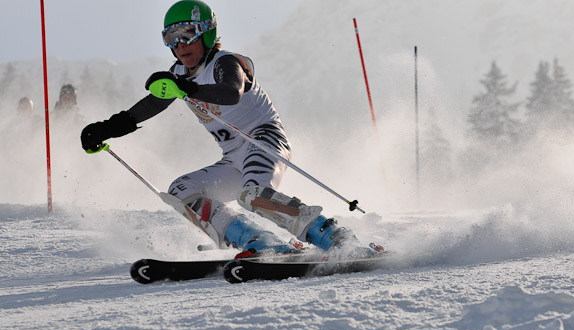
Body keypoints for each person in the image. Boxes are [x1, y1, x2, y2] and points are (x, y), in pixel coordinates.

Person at [80, 0, 377, 259]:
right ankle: (262, 242)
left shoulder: (225, 63)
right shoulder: (178, 76)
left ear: (206, 33)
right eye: (171, 38)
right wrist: (105, 129)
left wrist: (187, 88)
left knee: (253, 196)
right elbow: (147, 107)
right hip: (234, 157)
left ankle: (336, 238)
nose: (179, 45)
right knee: (181, 191)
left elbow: (230, 92)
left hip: (265, 140)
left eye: (187, 34)